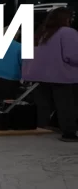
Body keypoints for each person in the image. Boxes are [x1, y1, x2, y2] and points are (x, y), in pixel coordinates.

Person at [22, 7, 78, 142]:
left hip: (38, 76)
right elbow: (73, 56)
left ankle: (39, 128)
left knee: (43, 106)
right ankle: (69, 133)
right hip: (62, 76)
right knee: (66, 105)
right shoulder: (67, 32)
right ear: (66, 18)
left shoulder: (41, 33)